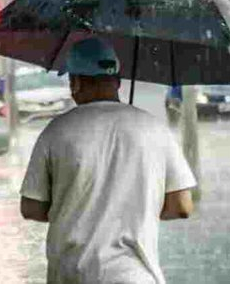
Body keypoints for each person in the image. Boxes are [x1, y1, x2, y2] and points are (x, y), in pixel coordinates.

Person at [19, 37, 197, 284]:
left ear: (76, 82)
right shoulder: (155, 129)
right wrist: (136, 208)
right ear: (118, 81)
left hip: (74, 276)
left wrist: (76, 208)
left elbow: (31, 208)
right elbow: (182, 206)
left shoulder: (56, 131)